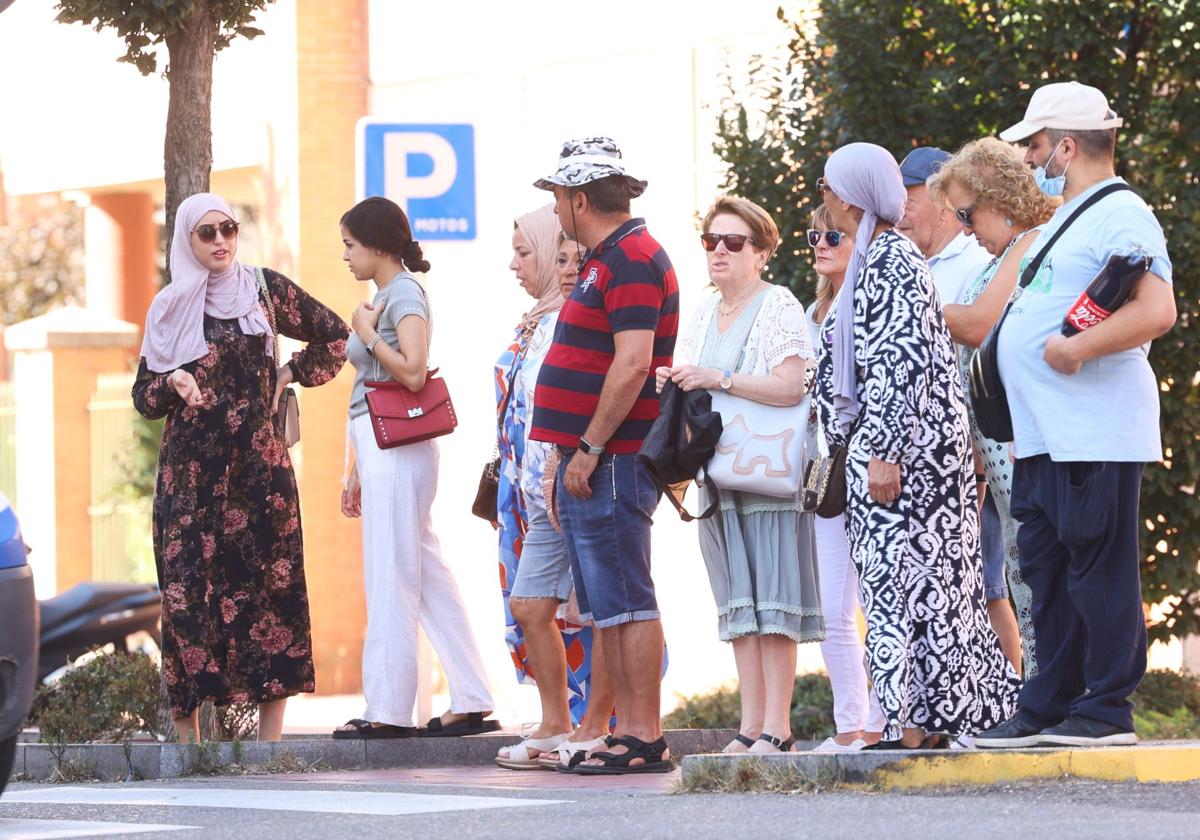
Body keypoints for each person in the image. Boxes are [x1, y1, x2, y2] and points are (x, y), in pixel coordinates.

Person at [976, 82, 1175, 748]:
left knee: (1098, 569)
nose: (1030, 158)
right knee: (1049, 574)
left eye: (1035, 144)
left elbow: (1156, 310)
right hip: (1044, 436)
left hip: (1093, 432)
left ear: (1067, 144)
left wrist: (1074, 349)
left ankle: (1106, 710)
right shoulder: (1072, 214)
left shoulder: (1124, 214)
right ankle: (1049, 706)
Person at [813, 143, 1021, 749]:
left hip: (909, 463)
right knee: (912, 591)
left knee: (919, 591)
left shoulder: (890, 261)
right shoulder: (872, 261)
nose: (824, 197)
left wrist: (883, 450)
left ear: (849, 195)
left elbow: (899, 364)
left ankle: (920, 723)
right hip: (899, 457)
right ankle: (921, 722)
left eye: (829, 186)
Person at [132, 192, 349, 742]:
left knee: (269, 594)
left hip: (260, 476)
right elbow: (143, 397)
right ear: (187, 239)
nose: (221, 241)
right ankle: (188, 747)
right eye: (206, 233)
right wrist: (173, 384)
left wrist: (288, 373)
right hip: (191, 481)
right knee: (185, 596)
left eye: (227, 228)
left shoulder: (264, 290)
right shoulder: (170, 306)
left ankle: (267, 746)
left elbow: (336, 335)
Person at [529, 137, 678, 774]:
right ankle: (623, 730)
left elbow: (634, 362)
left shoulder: (633, 258)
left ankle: (644, 734)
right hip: (590, 459)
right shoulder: (605, 257)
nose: (556, 207)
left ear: (580, 198)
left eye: (558, 196)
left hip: (613, 457)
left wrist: (587, 448)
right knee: (606, 603)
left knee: (628, 597)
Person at [660, 196, 822, 755]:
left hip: (768, 469)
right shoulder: (704, 310)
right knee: (739, 603)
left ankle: (778, 727)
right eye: (712, 241)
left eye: (734, 242)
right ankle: (750, 725)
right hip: (718, 472)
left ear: (762, 252)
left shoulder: (779, 305)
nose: (719, 252)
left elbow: (792, 385)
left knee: (774, 600)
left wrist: (721, 377)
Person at [337, 196, 497, 740]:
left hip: (398, 449)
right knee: (424, 574)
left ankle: (387, 710)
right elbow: (364, 389)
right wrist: (354, 465)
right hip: (382, 447)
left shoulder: (401, 293)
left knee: (392, 573)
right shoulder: (383, 295)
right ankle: (472, 696)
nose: (346, 257)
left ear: (378, 245)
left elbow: (410, 371)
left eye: (350, 246)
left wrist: (366, 335)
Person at [930, 137, 1060, 678]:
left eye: (967, 213)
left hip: (1019, 441)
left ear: (999, 198)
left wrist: (909, 299)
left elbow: (980, 322)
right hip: (995, 449)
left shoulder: (1030, 243)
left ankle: (1048, 683)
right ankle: (1038, 682)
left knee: (1032, 564)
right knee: (1017, 561)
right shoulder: (1008, 252)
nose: (963, 228)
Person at [492, 206, 614, 769]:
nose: (568, 269)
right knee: (529, 603)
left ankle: (598, 725)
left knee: (596, 607)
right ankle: (555, 720)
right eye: (558, 258)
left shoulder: (592, 321)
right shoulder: (542, 320)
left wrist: (580, 459)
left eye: (577, 259)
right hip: (536, 488)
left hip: (582, 481)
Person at [897, 146, 1022, 670]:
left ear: (941, 200)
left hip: (979, 454)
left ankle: (1019, 693)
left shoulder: (977, 260)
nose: (898, 210)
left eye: (907, 196)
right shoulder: (921, 262)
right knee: (964, 587)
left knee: (992, 585)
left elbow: (977, 345)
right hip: (940, 457)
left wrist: (972, 464)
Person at [804, 205, 886, 753]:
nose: (821, 243)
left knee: (879, 601)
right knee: (833, 608)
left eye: (833, 234)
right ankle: (848, 725)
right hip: (825, 469)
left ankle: (883, 722)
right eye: (814, 235)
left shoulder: (874, 301)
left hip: (875, 462)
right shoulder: (812, 312)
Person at [896, 146, 992, 307]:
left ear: (945, 202)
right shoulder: (908, 262)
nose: (898, 214)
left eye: (907, 203)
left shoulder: (978, 263)